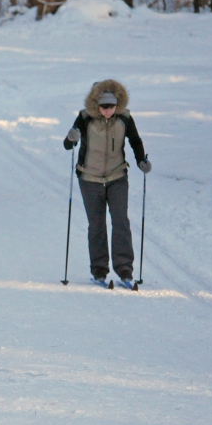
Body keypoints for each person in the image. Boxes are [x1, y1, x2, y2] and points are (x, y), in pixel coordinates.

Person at [63, 80, 151, 289]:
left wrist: (141, 161)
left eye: (111, 106)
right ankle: (99, 270)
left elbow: (135, 141)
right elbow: (68, 145)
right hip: (89, 178)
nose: (108, 111)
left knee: (121, 222)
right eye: (103, 107)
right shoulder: (85, 118)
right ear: (96, 105)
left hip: (117, 176)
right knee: (97, 225)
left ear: (117, 104)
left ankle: (125, 271)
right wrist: (71, 137)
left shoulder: (125, 118)